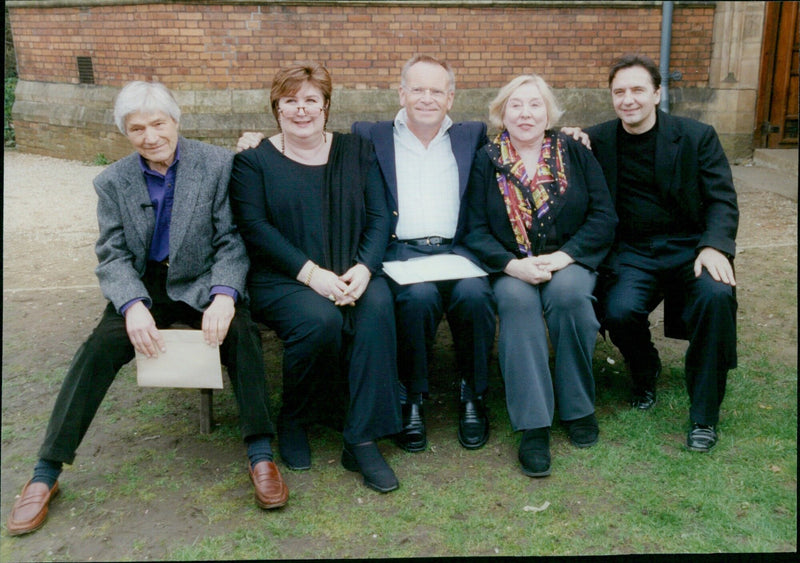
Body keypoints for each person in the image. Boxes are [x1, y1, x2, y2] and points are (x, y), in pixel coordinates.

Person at [6, 81, 288, 536]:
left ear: (176, 121)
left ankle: (260, 454)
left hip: (201, 280)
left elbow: (232, 239)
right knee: (97, 348)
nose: (150, 135)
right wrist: (132, 305)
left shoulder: (216, 164)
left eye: (158, 123)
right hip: (145, 285)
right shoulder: (112, 180)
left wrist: (224, 294)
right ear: (126, 133)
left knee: (240, 334)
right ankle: (45, 473)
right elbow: (113, 254)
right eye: (137, 128)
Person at [228, 62, 401, 493]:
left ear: (326, 107)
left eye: (311, 100)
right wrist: (311, 275)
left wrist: (365, 268)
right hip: (284, 277)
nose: (300, 110)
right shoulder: (253, 162)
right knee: (320, 320)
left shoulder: (358, 150)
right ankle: (295, 416)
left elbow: (381, 215)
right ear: (276, 107)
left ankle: (360, 437)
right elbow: (255, 228)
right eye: (290, 101)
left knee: (378, 307)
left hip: (352, 270)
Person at [463, 74, 617, 477]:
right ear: (502, 113)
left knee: (570, 301)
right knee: (516, 305)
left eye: (534, 104)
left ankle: (577, 407)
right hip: (512, 264)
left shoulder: (575, 151)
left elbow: (603, 216)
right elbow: (474, 228)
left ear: (548, 112)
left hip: (568, 261)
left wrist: (566, 257)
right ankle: (533, 426)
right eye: (516, 105)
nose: (526, 113)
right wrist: (512, 264)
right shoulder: (486, 159)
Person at [585, 54, 738, 452]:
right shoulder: (597, 139)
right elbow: (546, 145)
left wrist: (715, 245)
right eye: (619, 92)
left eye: (637, 90)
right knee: (618, 311)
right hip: (633, 251)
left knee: (717, 297)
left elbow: (722, 199)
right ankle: (644, 367)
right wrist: (566, 134)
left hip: (691, 247)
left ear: (657, 93)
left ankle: (704, 415)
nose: (628, 99)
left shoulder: (696, 136)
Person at [351, 55, 496, 453]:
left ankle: (473, 395)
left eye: (437, 91)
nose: (427, 98)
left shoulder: (473, 135)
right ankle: (411, 398)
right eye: (418, 89)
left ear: (450, 98)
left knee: (475, 296)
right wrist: (258, 140)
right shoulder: (369, 134)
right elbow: (315, 145)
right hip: (401, 253)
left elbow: (524, 139)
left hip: (456, 251)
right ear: (402, 93)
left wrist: (570, 133)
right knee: (418, 299)